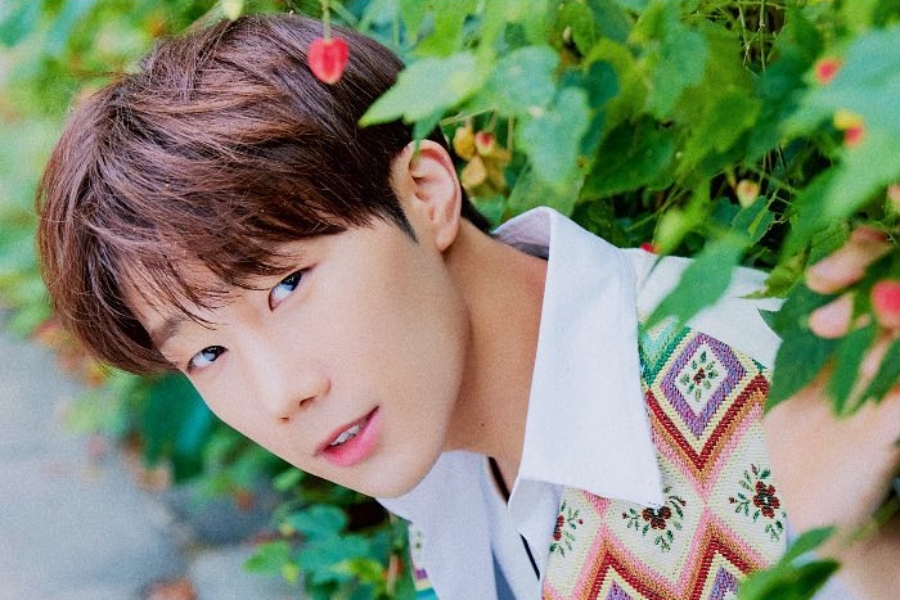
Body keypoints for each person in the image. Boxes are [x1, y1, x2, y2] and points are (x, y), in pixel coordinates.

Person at [35, 13, 899, 600]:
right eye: (205, 354)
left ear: (427, 192)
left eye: (286, 286)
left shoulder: (770, 385)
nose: (280, 394)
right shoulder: (444, 478)